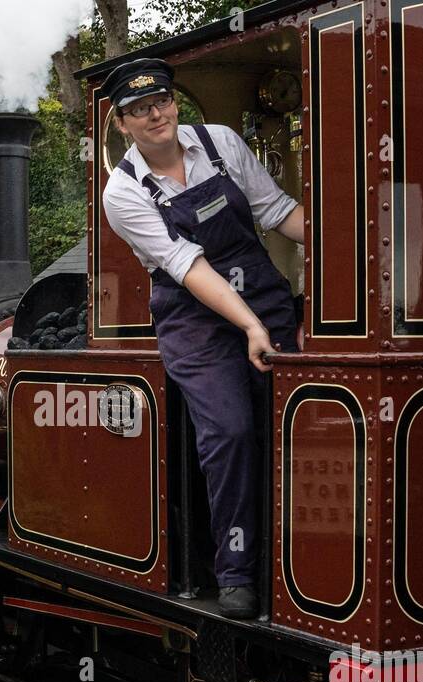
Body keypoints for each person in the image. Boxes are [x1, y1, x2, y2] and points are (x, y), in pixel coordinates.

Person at [101, 58, 306, 620]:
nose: (155, 114)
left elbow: (278, 212)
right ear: (122, 123)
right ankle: (236, 570)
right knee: (232, 431)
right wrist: (249, 326)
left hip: (263, 295)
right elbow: (187, 266)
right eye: (139, 109)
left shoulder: (220, 143)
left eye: (161, 101)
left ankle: (298, 560)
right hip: (195, 322)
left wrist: (358, 238)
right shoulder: (122, 193)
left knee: (297, 426)